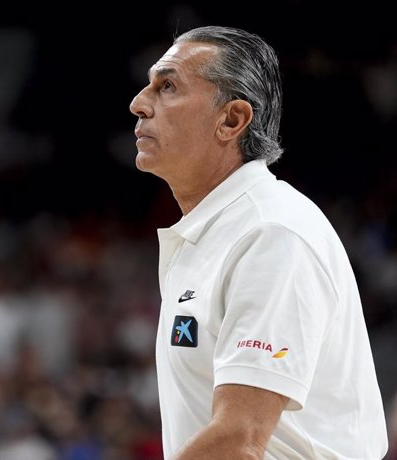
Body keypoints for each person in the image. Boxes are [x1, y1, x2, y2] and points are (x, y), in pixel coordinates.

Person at [129, 25, 389, 459]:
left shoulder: (271, 233)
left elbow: (240, 439)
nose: (138, 103)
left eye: (167, 86)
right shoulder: (216, 231)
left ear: (231, 120)